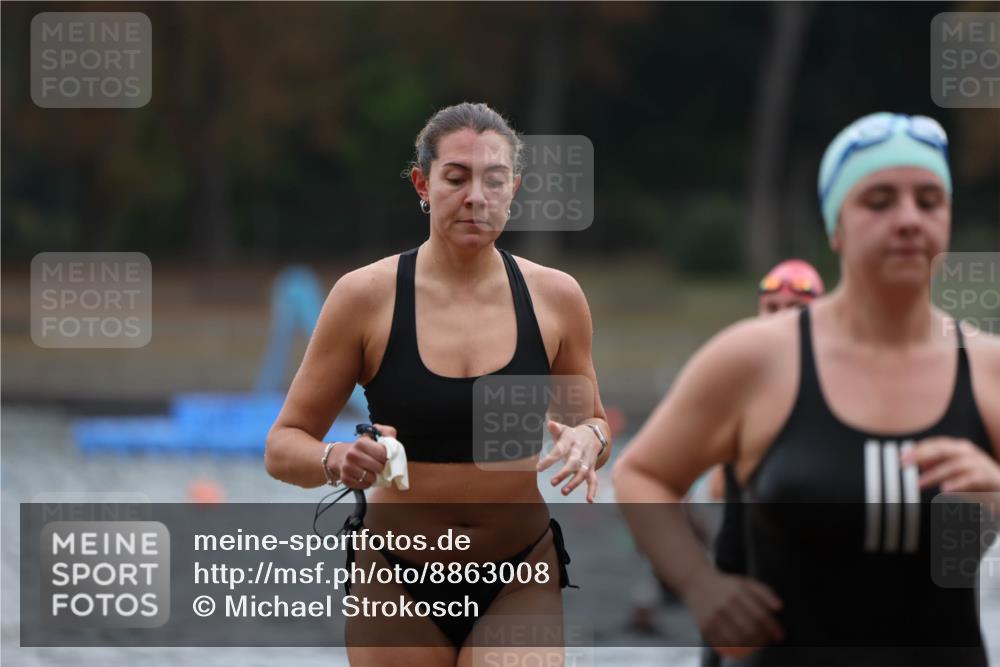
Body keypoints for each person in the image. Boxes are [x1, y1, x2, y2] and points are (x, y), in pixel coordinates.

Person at [613, 112, 1000, 666]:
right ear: (835, 225)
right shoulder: (756, 360)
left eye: (930, 200)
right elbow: (642, 474)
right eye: (880, 201)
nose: (909, 220)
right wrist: (701, 586)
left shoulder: (988, 368)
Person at [265, 102, 611, 666]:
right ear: (423, 184)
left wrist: (588, 441)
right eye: (456, 178)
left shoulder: (557, 298)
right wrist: (336, 458)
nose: (476, 196)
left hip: (520, 569)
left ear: (514, 188)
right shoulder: (365, 297)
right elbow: (282, 446)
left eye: (494, 180)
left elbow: (593, 423)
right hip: (395, 577)